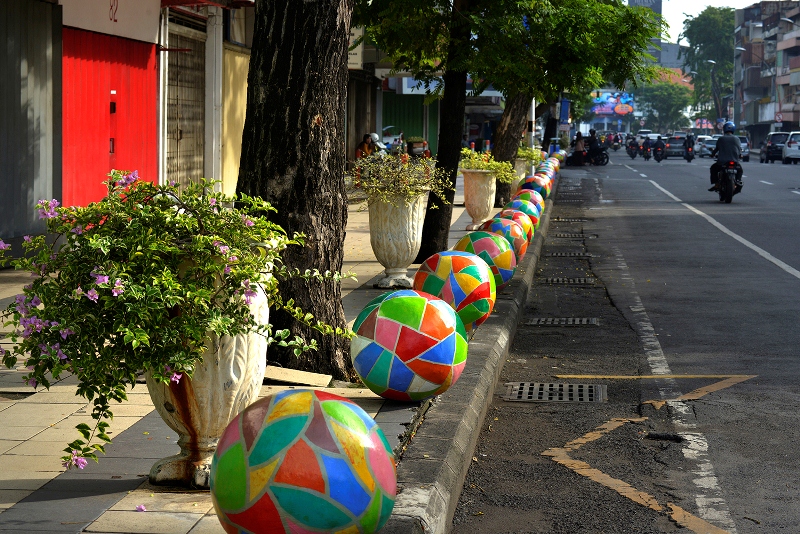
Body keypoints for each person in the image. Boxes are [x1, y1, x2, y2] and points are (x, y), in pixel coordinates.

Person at [709, 121, 742, 191]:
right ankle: (738, 181)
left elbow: (716, 149)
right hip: (735, 161)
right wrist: (740, 155)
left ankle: (717, 184)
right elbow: (739, 149)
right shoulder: (737, 139)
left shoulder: (721, 139)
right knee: (740, 170)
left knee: (713, 168)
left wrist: (712, 154)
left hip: (722, 162)